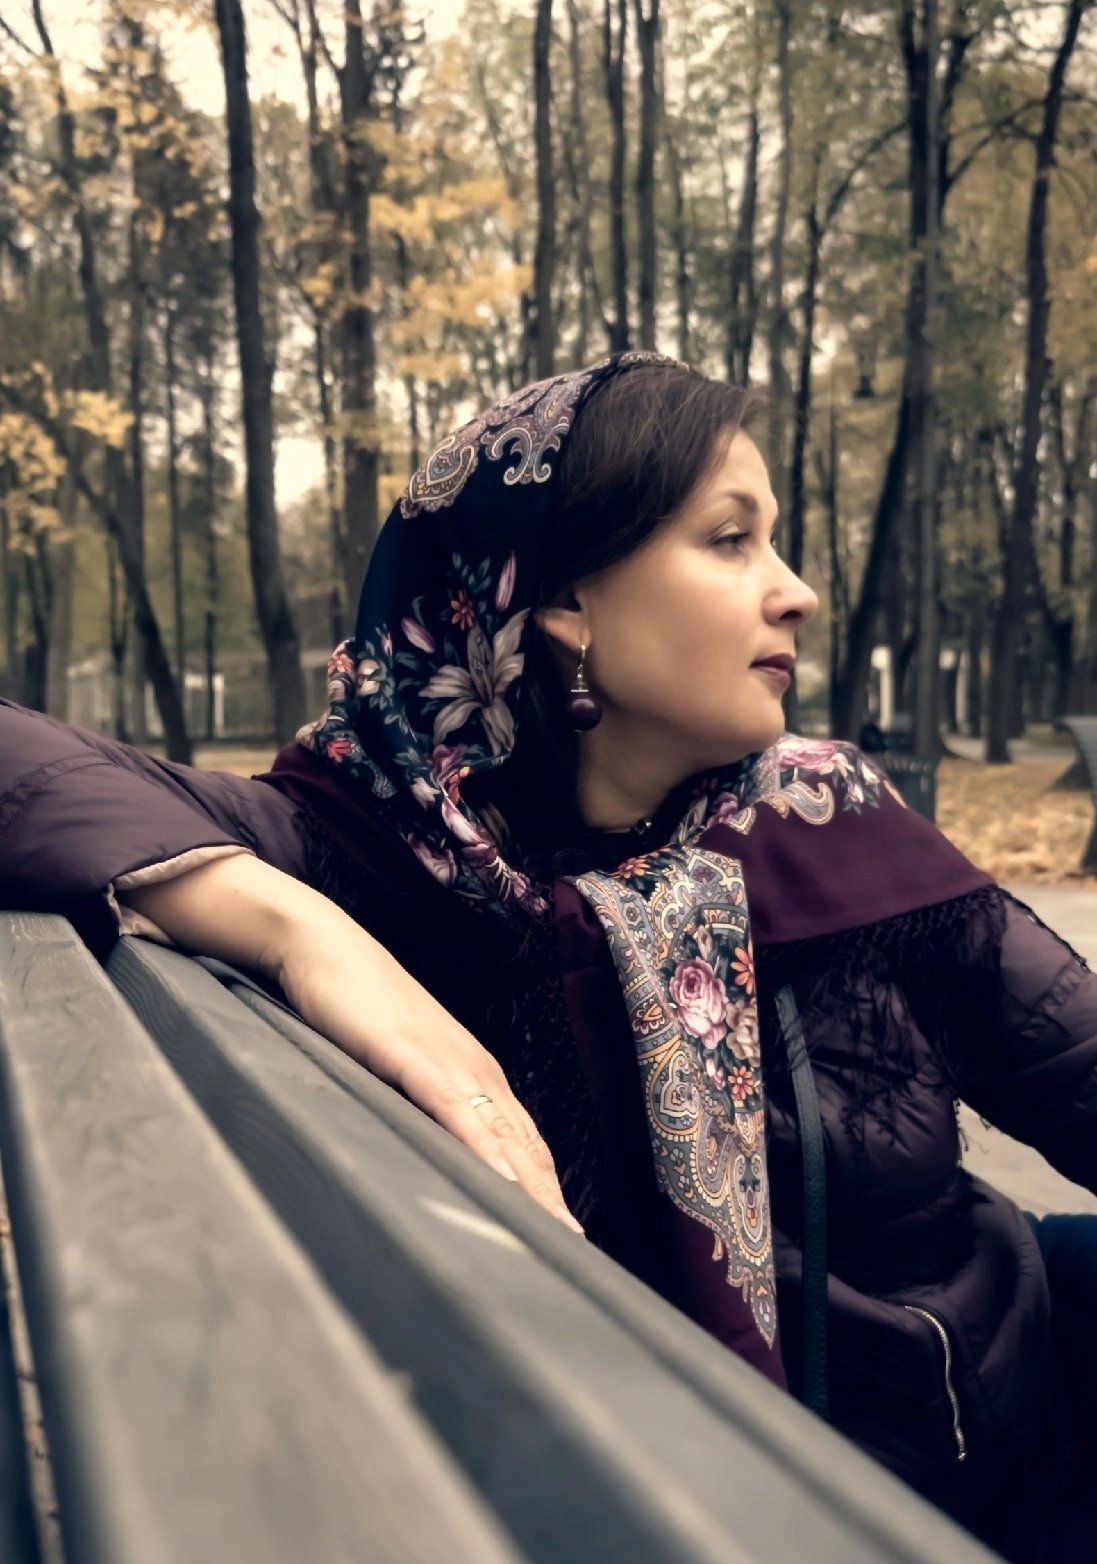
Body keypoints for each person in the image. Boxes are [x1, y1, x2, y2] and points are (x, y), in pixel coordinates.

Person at [1, 354, 1095, 1562]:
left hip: (1023, 1411)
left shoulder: (828, 824)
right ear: (565, 600)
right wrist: (294, 924)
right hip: (730, 1501)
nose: (795, 594)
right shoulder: (373, 847)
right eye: (729, 540)